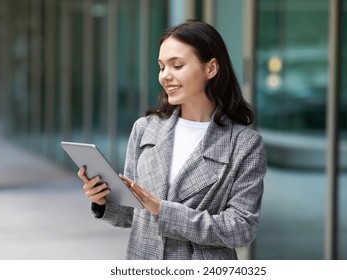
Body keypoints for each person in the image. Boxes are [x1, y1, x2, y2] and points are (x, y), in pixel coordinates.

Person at [78, 19, 267, 260]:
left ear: (211, 68)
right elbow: (129, 215)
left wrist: (163, 211)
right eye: (161, 67)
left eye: (177, 65)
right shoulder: (145, 129)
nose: (165, 76)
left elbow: (241, 229)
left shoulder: (244, 144)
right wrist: (103, 200)